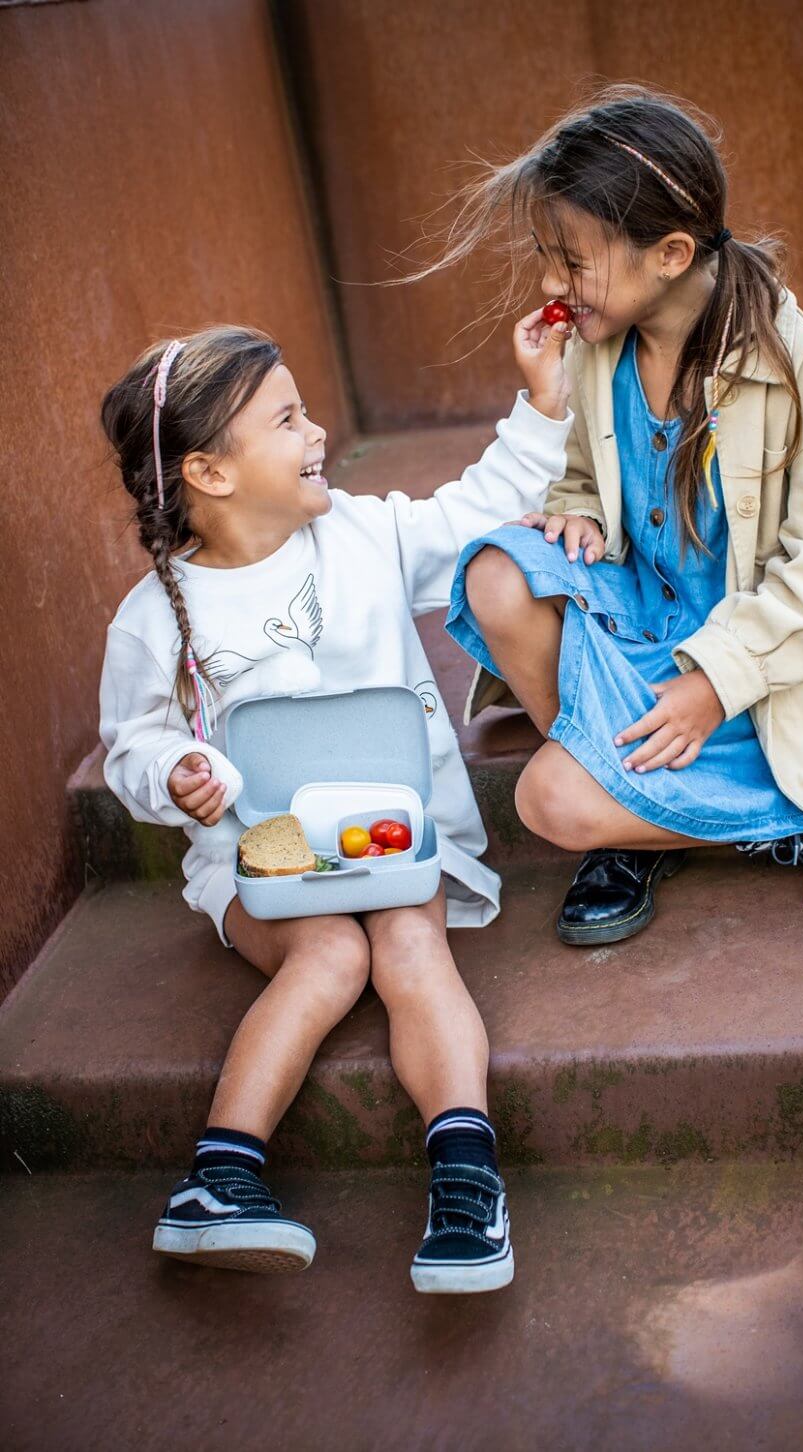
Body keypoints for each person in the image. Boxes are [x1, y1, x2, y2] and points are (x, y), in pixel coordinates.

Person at [98, 316, 574, 1287]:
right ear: (211, 473)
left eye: (307, 411)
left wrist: (543, 400)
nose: (314, 433)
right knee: (328, 952)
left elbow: (476, 508)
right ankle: (218, 1179)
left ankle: (466, 1183)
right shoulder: (154, 617)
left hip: (397, 841)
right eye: (286, 419)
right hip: (256, 863)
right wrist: (173, 778)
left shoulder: (361, 534)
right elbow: (132, 746)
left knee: (405, 938)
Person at [434, 83, 803, 945]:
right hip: (639, 620)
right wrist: (580, 507)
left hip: (752, 663)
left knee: (546, 798)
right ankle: (636, 809)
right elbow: (588, 469)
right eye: (547, 257)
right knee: (495, 574)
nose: (552, 283)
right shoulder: (600, 351)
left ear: (668, 252)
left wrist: (713, 684)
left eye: (572, 261)